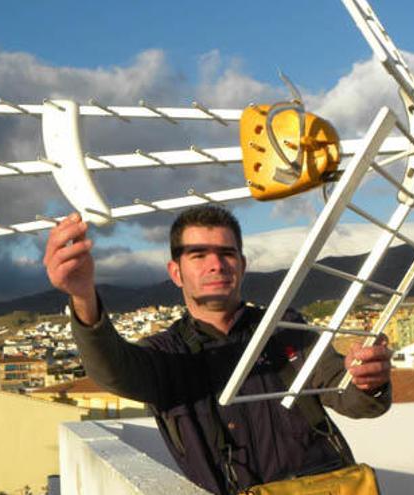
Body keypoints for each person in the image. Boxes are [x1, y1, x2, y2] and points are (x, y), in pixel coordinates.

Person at [44, 205, 392, 494]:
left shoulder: (286, 329)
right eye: (198, 254)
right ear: (175, 272)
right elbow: (113, 370)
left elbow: (347, 395)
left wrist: (367, 380)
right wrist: (83, 297)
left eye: (227, 253)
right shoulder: (166, 354)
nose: (216, 264)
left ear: (241, 265)